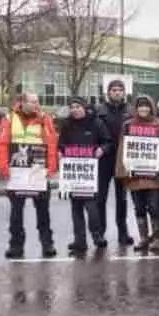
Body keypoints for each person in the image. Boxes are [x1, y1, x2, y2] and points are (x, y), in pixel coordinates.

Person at [0, 93, 59, 259]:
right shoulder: (9, 118)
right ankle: (16, 245)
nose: (36, 105)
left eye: (37, 102)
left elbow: (51, 142)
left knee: (43, 211)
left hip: (38, 171)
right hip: (17, 172)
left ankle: (47, 243)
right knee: (16, 212)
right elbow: (2, 143)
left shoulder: (45, 119)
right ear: (22, 103)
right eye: (32, 101)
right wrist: (3, 167)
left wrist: (51, 167)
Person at [58, 97, 113, 256]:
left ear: (84, 107)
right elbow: (61, 143)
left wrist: (102, 150)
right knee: (76, 208)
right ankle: (79, 241)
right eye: (72, 107)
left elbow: (107, 141)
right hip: (73, 172)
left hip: (91, 171)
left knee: (91, 206)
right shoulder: (66, 125)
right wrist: (60, 152)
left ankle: (97, 236)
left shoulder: (96, 123)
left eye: (77, 106)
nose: (74, 109)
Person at [117, 96, 159, 252]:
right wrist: (122, 171)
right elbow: (122, 148)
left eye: (147, 106)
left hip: (154, 175)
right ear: (136, 108)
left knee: (154, 206)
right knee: (139, 207)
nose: (144, 109)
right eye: (140, 106)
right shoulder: (128, 125)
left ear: (152, 108)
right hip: (135, 175)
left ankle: (157, 238)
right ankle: (144, 238)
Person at [95, 79, 134, 246]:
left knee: (122, 199)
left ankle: (123, 233)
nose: (117, 92)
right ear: (108, 92)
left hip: (123, 159)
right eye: (114, 90)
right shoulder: (98, 110)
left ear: (124, 92)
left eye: (120, 90)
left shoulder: (130, 111)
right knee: (100, 198)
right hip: (104, 158)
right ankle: (100, 232)